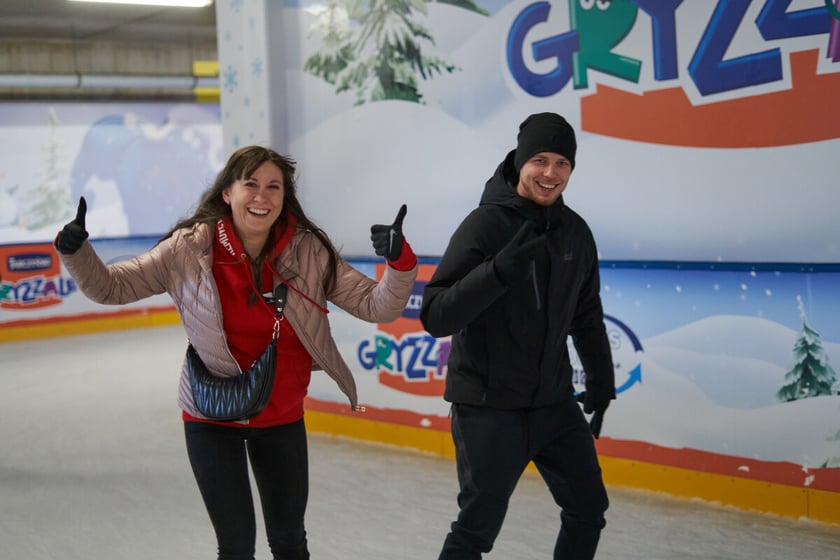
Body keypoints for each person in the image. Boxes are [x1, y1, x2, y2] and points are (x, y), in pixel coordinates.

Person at [54, 145, 418, 560]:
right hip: (211, 414)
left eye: (273, 187)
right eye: (251, 185)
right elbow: (111, 287)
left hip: (280, 414)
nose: (262, 197)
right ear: (227, 193)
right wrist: (76, 252)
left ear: (284, 196)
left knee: (289, 542)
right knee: (236, 547)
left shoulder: (309, 251)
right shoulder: (186, 250)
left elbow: (377, 305)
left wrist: (399, 261)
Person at [420, 113, 615, 559]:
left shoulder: (576, 233)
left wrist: (601, 379)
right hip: (488, 408)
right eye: (540, 160)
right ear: (520, 161)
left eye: (562, 163)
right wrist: (497, 272)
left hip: (553, 403)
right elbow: (435, 316)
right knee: (476, 530)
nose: (550, 173)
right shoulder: (484, 226)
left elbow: (586, 314)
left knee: (588, 508)